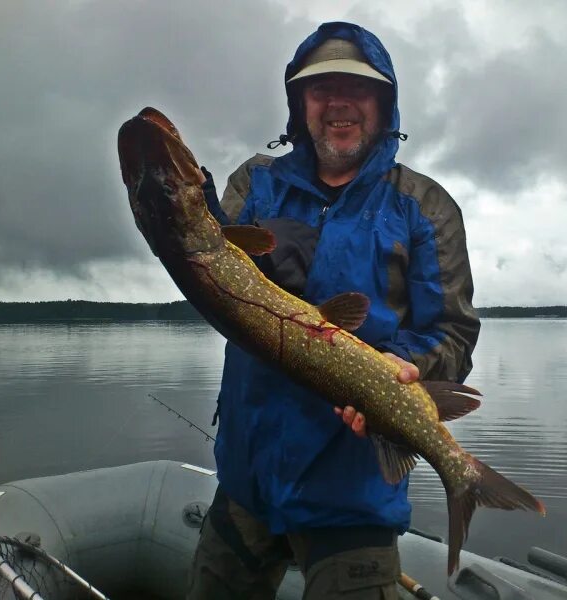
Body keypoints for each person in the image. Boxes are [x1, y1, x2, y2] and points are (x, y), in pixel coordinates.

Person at [187, 21, 480, 599]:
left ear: (384, 103)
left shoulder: (424, 207)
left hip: (353, 493)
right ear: (300, 104)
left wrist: (402, 368)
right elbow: (214, 286)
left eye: (359, 89)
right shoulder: (255, 183)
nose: (339, 103)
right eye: (321, 89)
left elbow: (453, 334)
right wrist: (224, 233)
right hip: (247, 475)